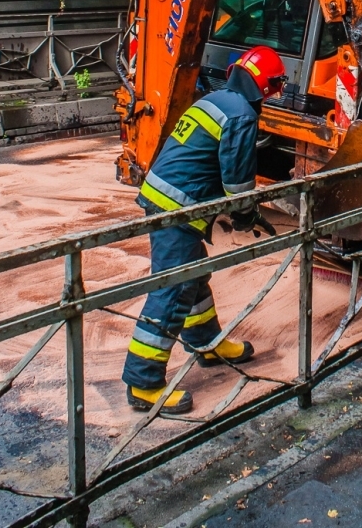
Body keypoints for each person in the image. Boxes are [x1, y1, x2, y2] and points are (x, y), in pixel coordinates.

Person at [122, 45, 287, 415]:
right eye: (275, 87)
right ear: (267, 85)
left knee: (194, 276)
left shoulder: (216, 99)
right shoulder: (242, 114)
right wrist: (246, 215)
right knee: (174, 287)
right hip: (177, 207)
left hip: (166, 198)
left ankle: (205, 342)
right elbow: (238, 182)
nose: (274, 95)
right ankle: (143, 382)